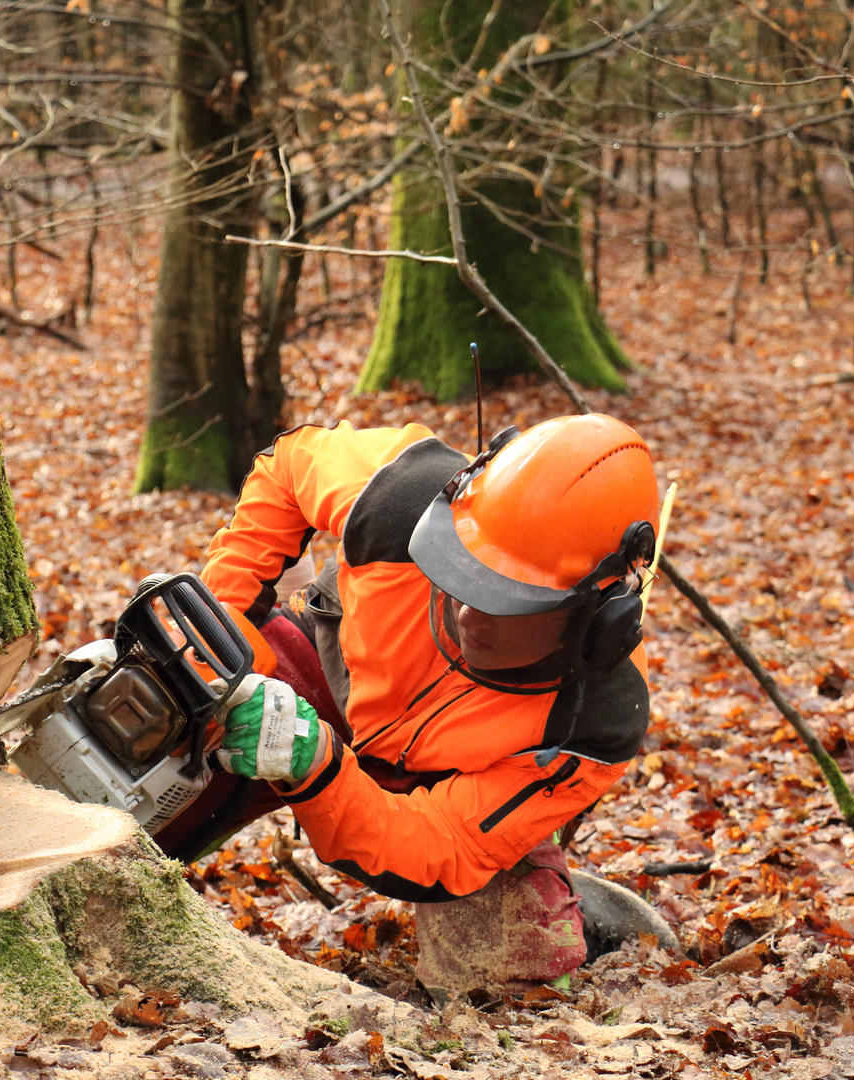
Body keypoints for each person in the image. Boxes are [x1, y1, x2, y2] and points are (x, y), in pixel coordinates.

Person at [159, 413, 662, 995]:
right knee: (160, 718)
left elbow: (441, 845)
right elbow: (289, 467)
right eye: (461, 568)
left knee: (512, 963)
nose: (470, 611)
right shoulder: (402, 498)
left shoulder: (591, 723)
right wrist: (228, 618)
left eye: (505, 599)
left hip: (441, 789)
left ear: (597, 620)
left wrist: (317, 771)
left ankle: (564, 895)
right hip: (329, 667)